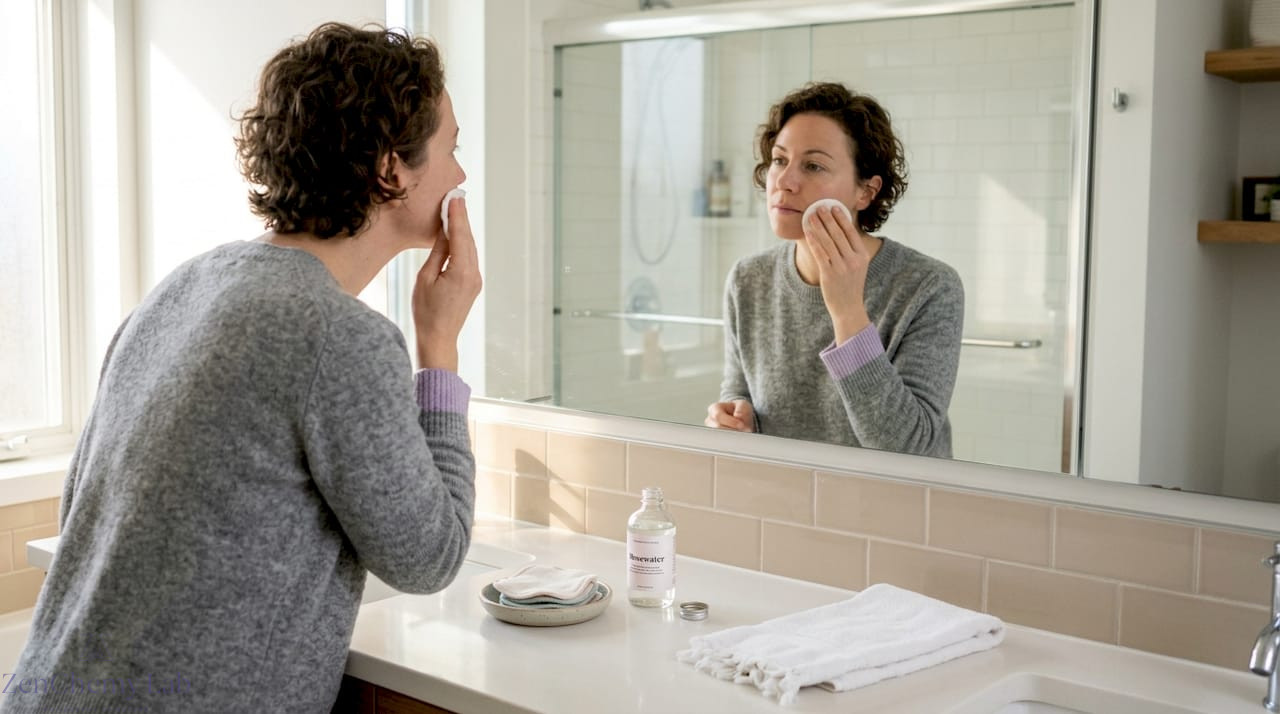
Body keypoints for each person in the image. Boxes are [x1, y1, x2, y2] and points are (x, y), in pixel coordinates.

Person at [2, 23, 480, 714]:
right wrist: (440, 343)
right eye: (451, 148)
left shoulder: (183, 287)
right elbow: (430, 556)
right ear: (391, 170)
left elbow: (82, 505)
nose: (461, 175)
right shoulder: (339, 337)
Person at [705, 82, 963, 458]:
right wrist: (735, 417)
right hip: (789, 504)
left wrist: (848, 313)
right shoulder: (748, 280)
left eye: (813, 165)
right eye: (780, 159)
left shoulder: (928, 286)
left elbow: (909, 448)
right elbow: (739, 393)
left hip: (894, 511)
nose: (785, 182)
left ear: (865, 192)